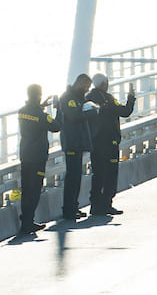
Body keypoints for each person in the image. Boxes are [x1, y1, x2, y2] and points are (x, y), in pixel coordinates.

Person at [85, 73, 136, 216]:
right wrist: (131, 98)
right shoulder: (107, 98)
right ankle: (107, 204)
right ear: (103, 84)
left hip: (94, 143)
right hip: (109, 143)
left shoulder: (87, 99)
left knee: (97, 174)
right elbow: (125, 111)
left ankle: (95, 206)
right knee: (110, 174)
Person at [17, 84, 60, 235]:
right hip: (37, 157)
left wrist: (40, 106)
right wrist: (58, 109)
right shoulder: (41, 115)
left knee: (26, 189)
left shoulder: (22, 111)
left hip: (25, 154)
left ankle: (26, 221)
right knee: (35, 190)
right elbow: (56, 126)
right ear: (39, 95)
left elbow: (33, 117)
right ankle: (28, 222)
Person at [57, 73, 95, 220]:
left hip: (78, 142)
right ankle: (68, 209)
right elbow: (73, 116)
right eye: (86, 86)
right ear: (80, 83)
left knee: (77, 176)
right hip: (71, 141)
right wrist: (88, 113)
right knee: (72, 177)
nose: (87, 90)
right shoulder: (68, 97)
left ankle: (74, 206)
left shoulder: (79, 98)